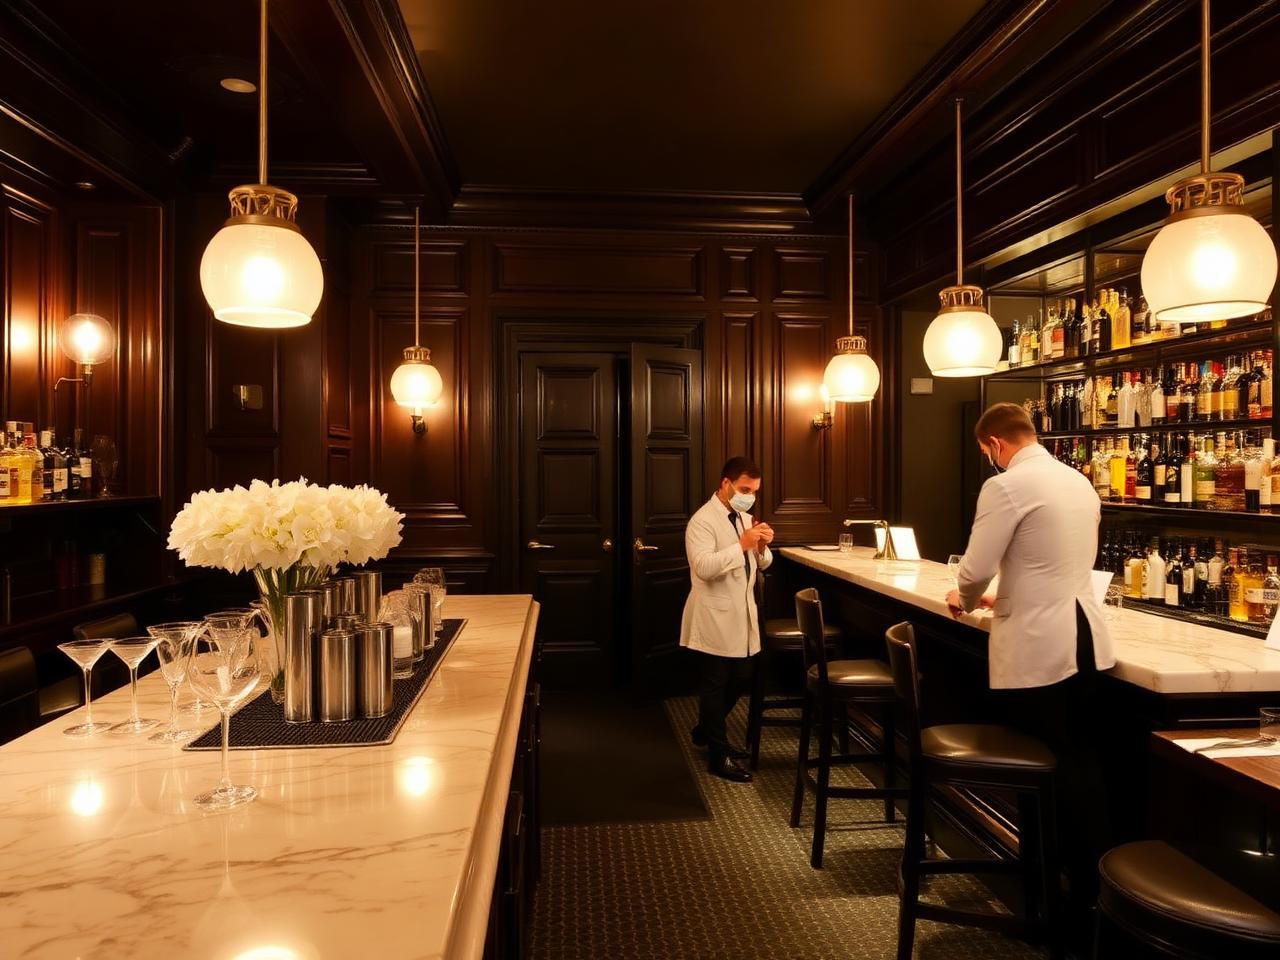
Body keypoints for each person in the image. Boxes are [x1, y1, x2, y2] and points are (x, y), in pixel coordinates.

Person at [944, 401, 1115, 933]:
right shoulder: (1078, 481)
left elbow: (973, 568)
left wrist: (969, 597)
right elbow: (1055, 565)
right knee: (1080, 766)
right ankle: (1092, 893)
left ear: (995, 444)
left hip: (1044, 646)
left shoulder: (1006, 486)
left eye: (987, 454)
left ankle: (1055, 892)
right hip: (1087, 637)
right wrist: (1007, 595)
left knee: (1052, 767)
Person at [680, 456, 775, 783]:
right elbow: (704, 567)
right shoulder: (702, 521)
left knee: (741, 679)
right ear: (725, 484)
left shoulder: (745, 517)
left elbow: (761, 564)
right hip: (714, 614)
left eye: (754, 491)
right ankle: (718, 755)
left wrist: (761, 547)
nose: (750, 496)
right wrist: (741, 545)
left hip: (742, 612)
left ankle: (706, 729)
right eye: (745, 489)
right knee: (716, 683)